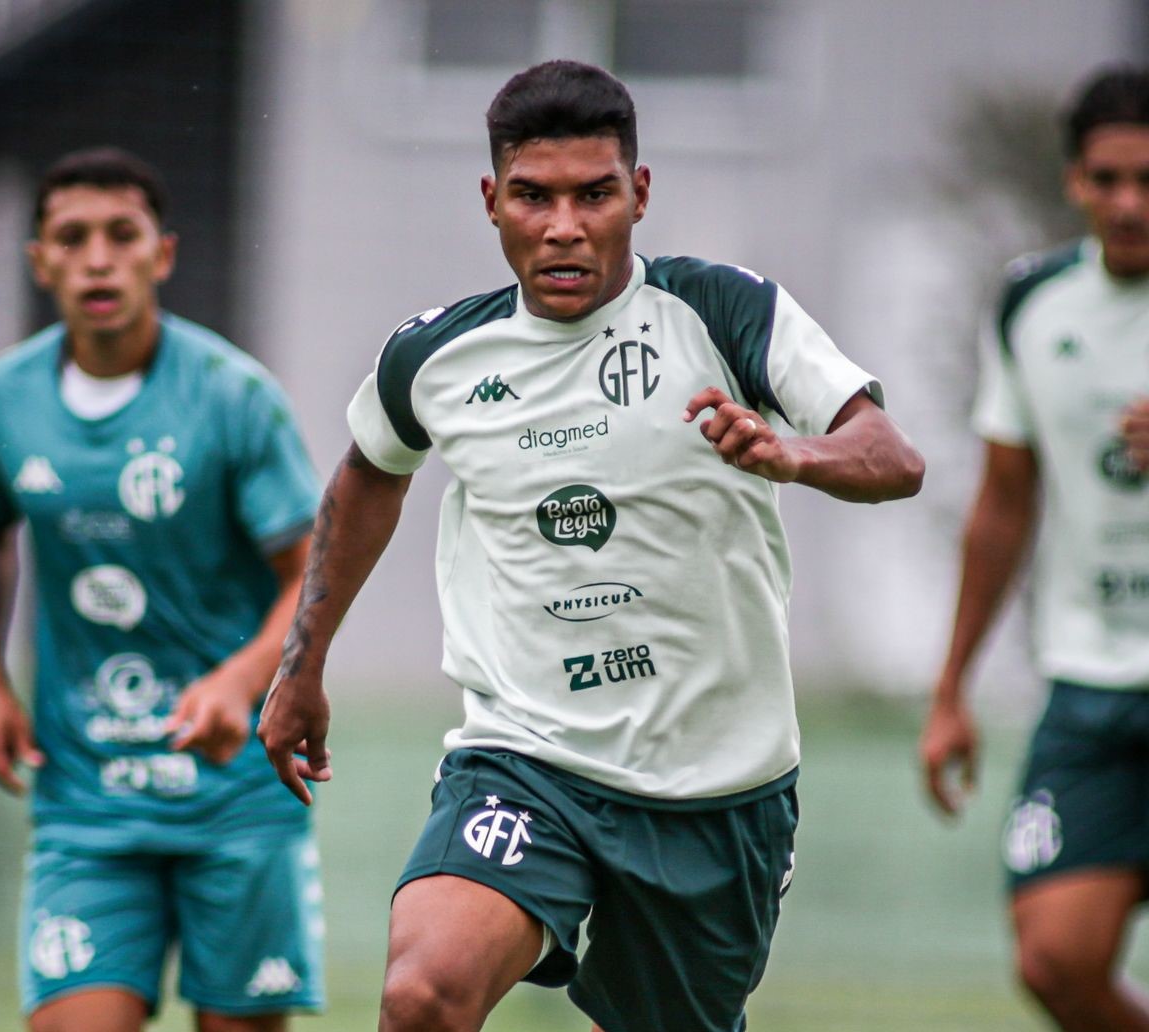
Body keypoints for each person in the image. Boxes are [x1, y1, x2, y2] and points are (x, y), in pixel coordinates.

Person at [259, 60, 924, 1032]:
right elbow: (368, 472)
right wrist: (302, 665)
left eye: (593, 194)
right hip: (529, 760)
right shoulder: (437, 359)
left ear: (639, 194)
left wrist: (794, 452)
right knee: (422, 994)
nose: (564, 226)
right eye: (533, 196)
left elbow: (892, 456)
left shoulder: (726, 312)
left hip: (716, 793)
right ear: (491, 202)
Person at [0, 147, 325, 1032]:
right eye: (72, 239)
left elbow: (311, 575)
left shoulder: (234, 397)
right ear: (39, 261)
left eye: (122, 235)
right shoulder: (0, 400)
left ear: (162, 254)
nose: (97, 258)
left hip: (234, 795)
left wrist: (240, 683)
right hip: (87, 798)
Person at [920, 67, 1149, 1031]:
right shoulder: (1031, 305)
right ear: (1074, 182)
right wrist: (951, 689)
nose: (1129, 202)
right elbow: (1003, 505)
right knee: (1056, 957)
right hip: (1089, 686)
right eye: (1108, 178)